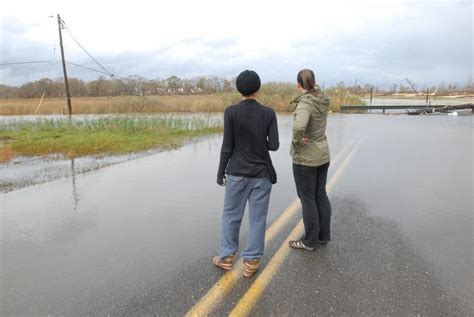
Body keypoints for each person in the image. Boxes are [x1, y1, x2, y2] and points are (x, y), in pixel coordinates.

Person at [213, 70, 279, 278]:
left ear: (238, 89)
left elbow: (227, 146)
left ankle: (226, 257)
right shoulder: (268, 113)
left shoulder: (230, 112)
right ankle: (251, 262)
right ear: (258, 89)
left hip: (237, 173)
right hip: (262, 174)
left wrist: (220, 173)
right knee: (258, 219)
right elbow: (274, 146)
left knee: (231, 215)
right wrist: (260, 142)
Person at [288, 69, 332, 251]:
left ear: (298, 84)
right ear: (314, 82)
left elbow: (299, 126)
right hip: (323, 154)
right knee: (320, 194)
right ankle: (322, 236)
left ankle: (309, 241)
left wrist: (297, 141)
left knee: (307, 199)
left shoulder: (306, 103)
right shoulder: (322, 98)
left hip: (306, 158)